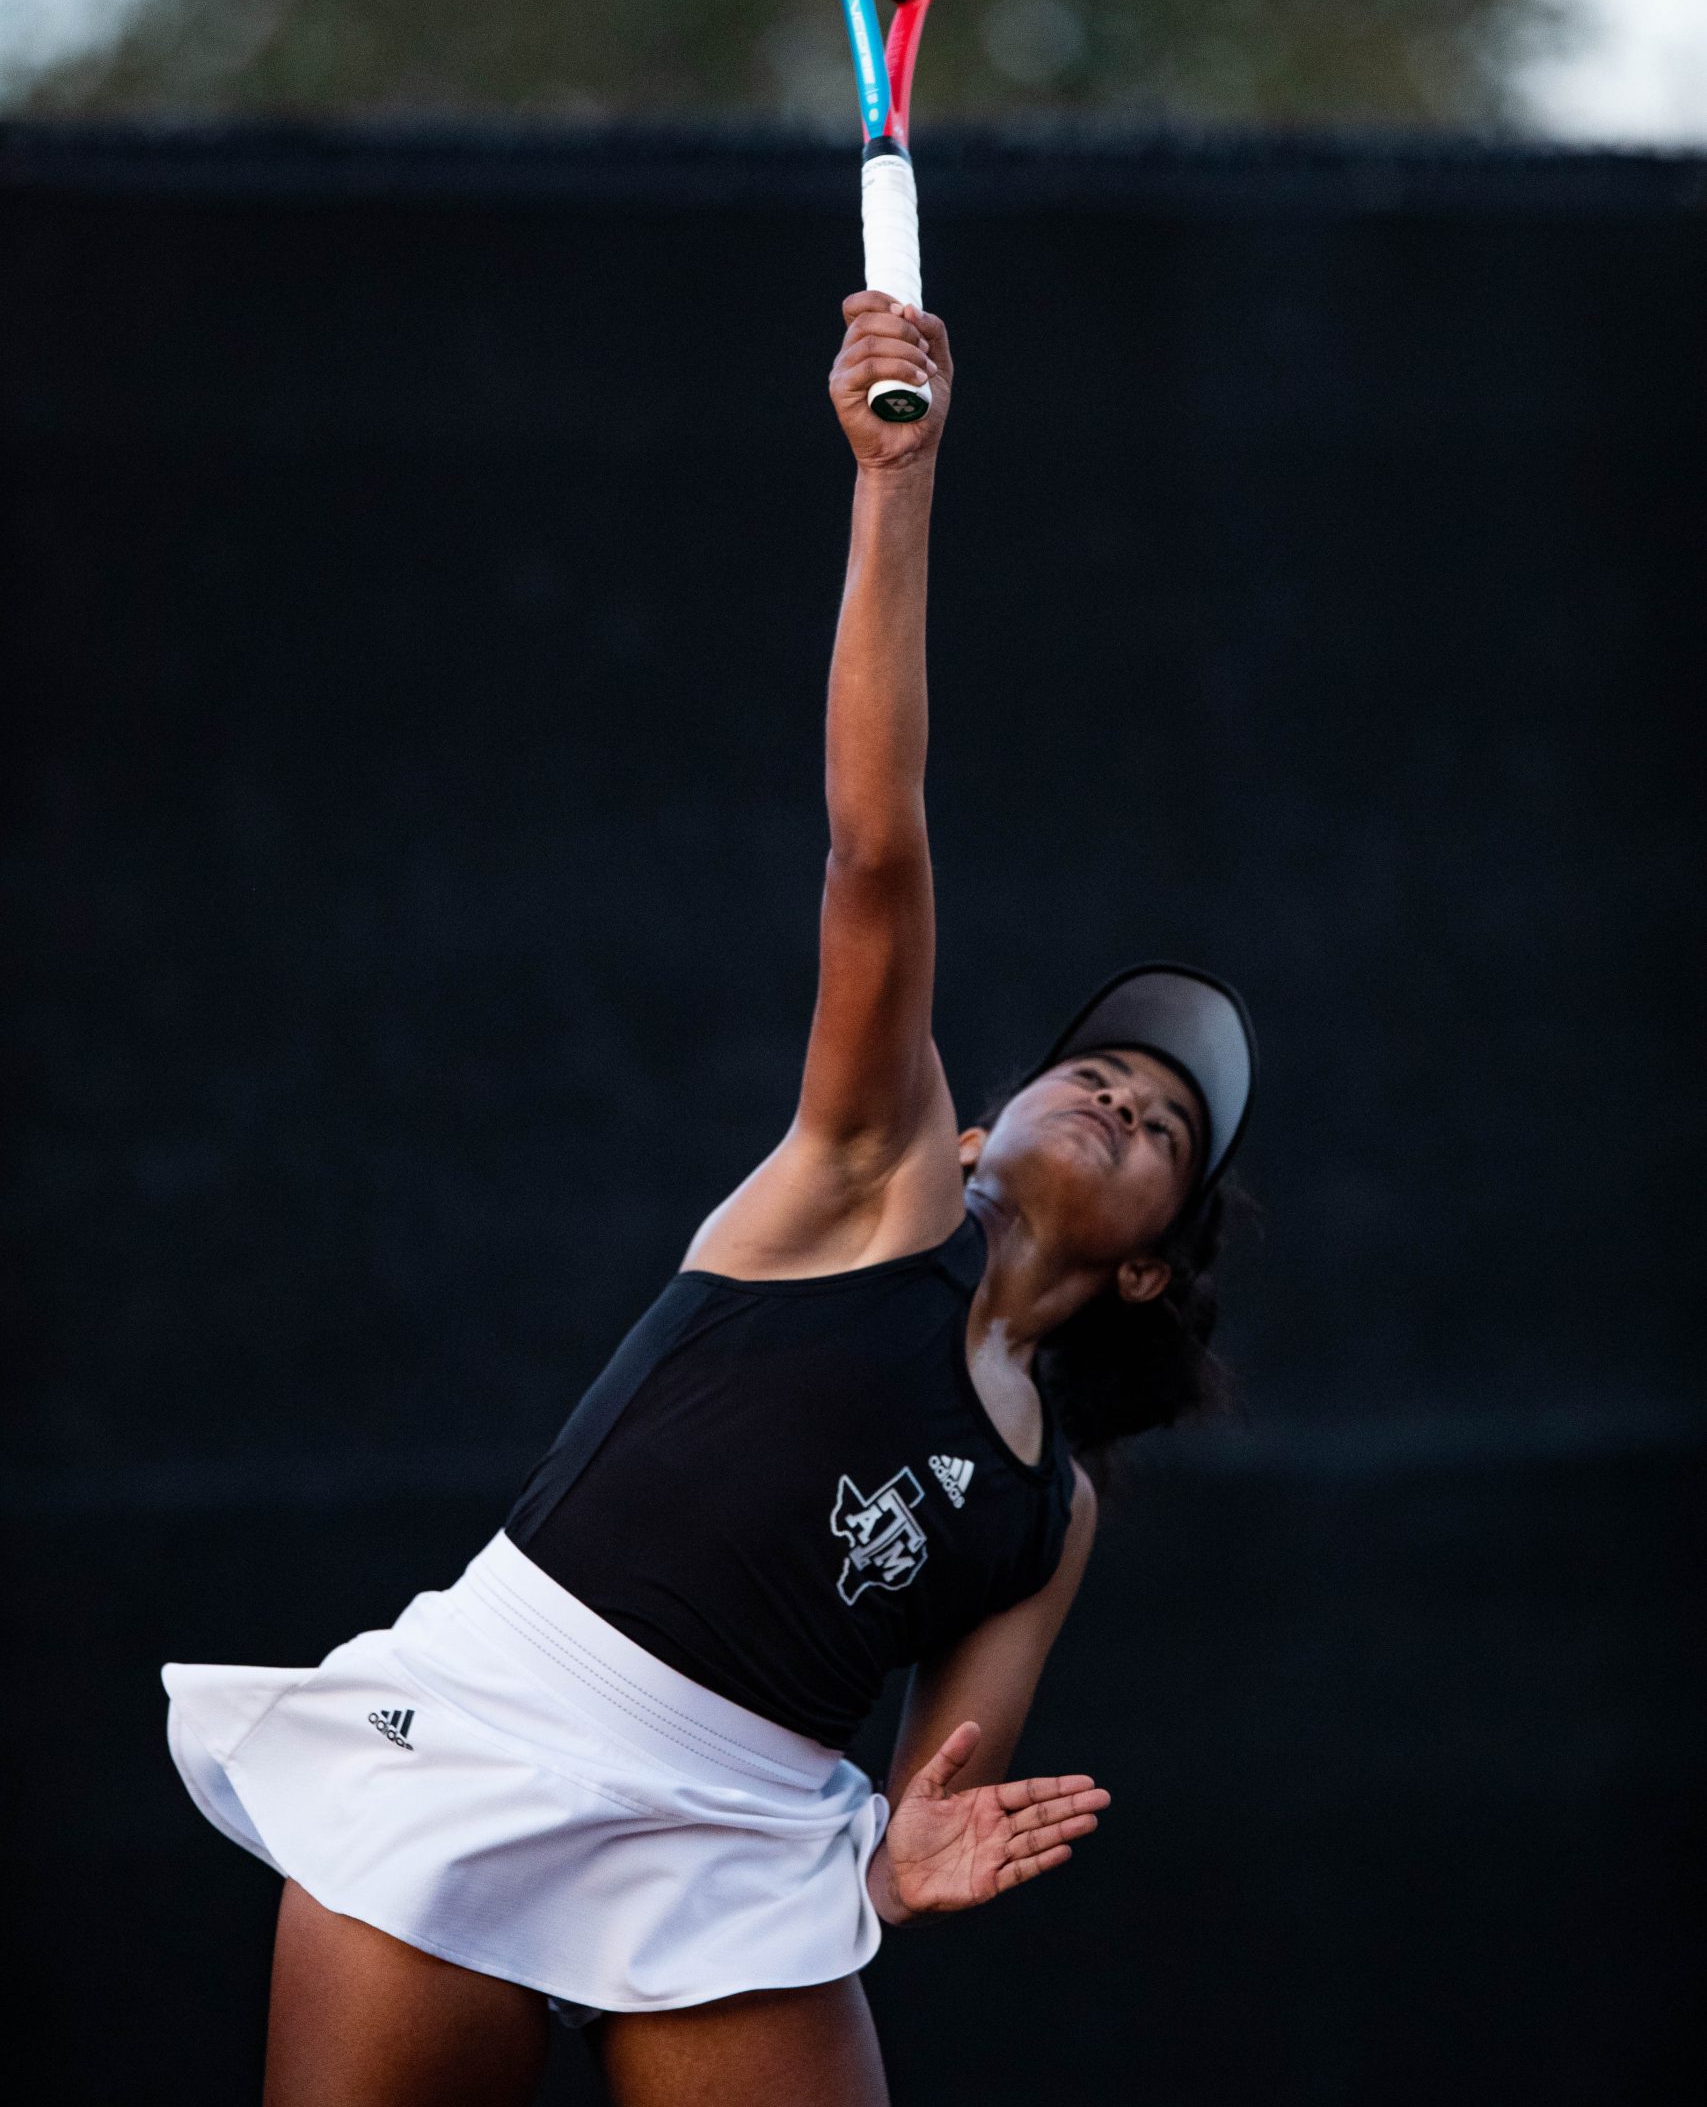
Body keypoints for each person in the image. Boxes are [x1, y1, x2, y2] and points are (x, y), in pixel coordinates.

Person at [163, 291, 1256, 2107]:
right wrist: (894, 486)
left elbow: (934, 1802)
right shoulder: (870, 1182)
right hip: (496, 1728)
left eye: (1161, 1125)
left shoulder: (1047, 1511)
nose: (1119, 1092)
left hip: (744, 1839)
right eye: (1094, 1067)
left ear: (1151, 1272)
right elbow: (875, 843)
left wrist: (908, 1868)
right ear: (975, 1133)